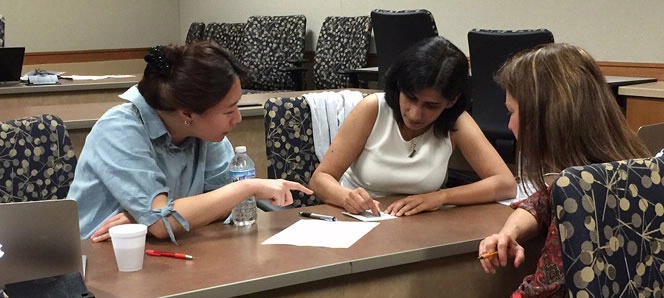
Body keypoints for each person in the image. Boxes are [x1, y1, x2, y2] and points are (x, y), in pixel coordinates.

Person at [386, 43, 651, 298]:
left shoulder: (584, 202)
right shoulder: (629, 170)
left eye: (512, 112)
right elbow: (545, 198)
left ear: (545, 116)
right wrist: (510, 229)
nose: (508, 124)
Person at [68, 42, 311, 243]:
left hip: (166, 251)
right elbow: (165, 223)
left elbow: (223, 206)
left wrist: (144, 217)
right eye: (229, 111)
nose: (237, 119)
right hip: (100, 259)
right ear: (188, 114)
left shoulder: (203, 133)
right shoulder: (119, 130)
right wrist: (245, 188)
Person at [308, 36, 516, 217]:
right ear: (399, 87)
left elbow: (505, 184)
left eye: (431, 106)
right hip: (358, 219)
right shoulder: (373, 109)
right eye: (410, 98)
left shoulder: (456, 122)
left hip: (418, 225)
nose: (416, 114)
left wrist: (441, 197)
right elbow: (320, 179)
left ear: (451, 102)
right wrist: (346, 197)